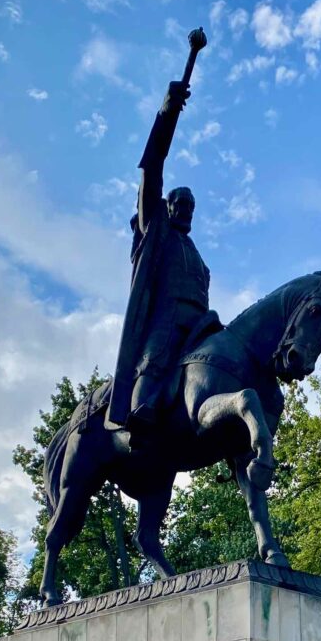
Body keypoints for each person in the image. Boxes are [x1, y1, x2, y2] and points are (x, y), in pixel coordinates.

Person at [105, 79, 211, 440]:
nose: (185, 210)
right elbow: (152, 168)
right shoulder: (157, 229)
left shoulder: (194, 252)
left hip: (200, 323)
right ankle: (136, 417)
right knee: (154, 359)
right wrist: (167, 114)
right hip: (166, 320)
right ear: (167, 206)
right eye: (179, 204)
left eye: (190, 206)